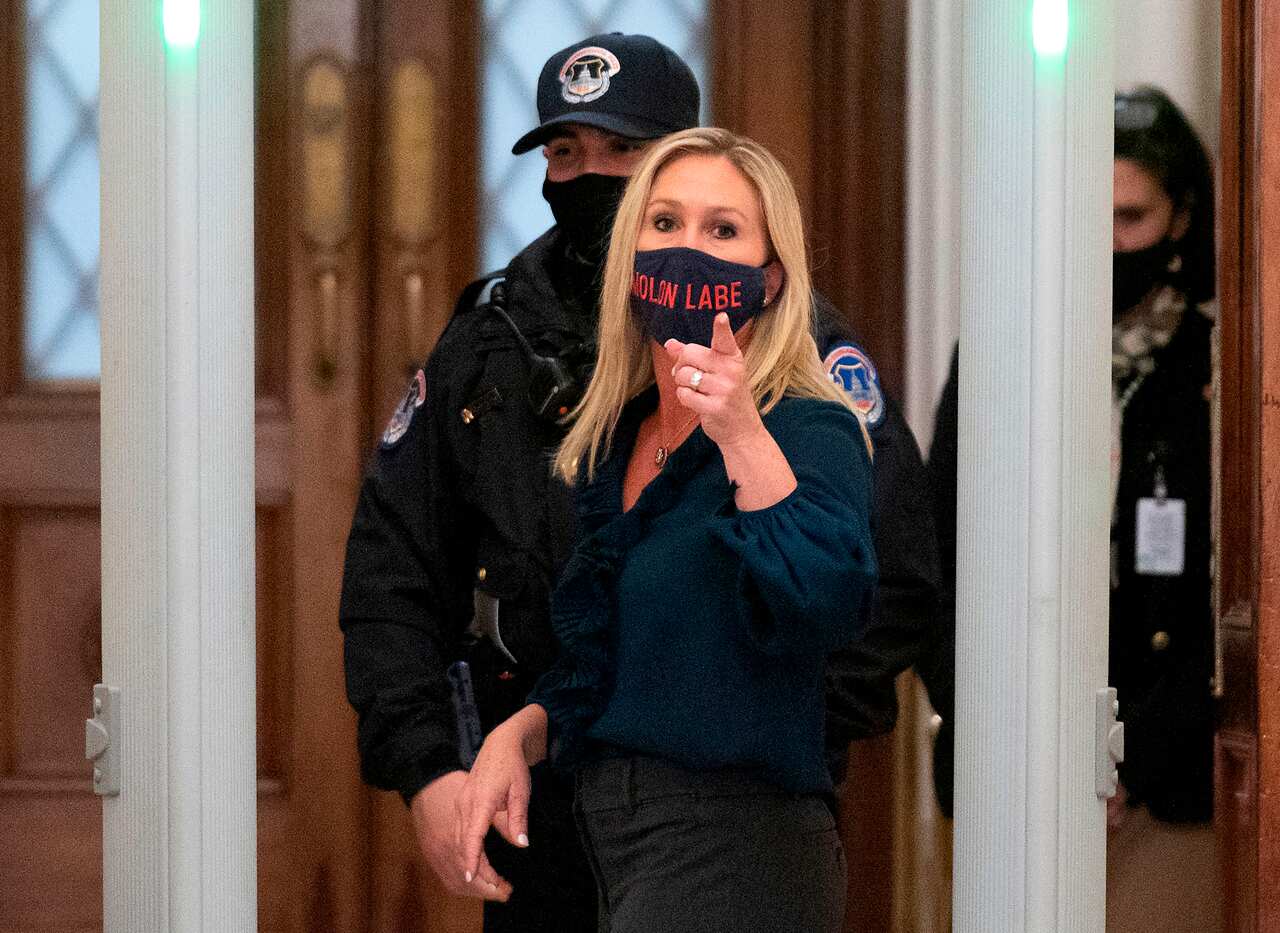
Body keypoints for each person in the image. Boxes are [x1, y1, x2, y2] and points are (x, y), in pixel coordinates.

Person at [340, 31, 938, 933]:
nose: (592, 177)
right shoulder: (500, 347)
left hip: (726, 827)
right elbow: (391, 568)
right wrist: (430, 764)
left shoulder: (798, 375)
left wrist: (760, 726)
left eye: (624, 151)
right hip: (544, 811)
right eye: (566, 152)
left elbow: (876, 578)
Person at [455, 127, 877, 933]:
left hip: (737, 846)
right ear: (630, 253)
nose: (689, 248)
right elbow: (605, 663)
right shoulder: (616, 440)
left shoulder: (809, 427)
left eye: (723, 230)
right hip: (605, 844)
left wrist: (741, 431)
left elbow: (831, 599)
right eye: (665, 223)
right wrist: (519, 733)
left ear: (771, 277)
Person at [924, 85, 1217, 883]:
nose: (1112, 243)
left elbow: (1233, 600)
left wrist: (1132, 764)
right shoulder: (1002, 338)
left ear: (1181, 219)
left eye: (1134, 219)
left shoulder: (1218, 360)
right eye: (1092, 215)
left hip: (1167, 788)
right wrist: (1003, 737)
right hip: (1006, 777)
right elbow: (937, 555)